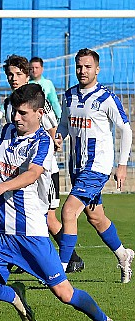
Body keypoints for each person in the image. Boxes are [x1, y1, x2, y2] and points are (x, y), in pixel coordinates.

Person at [0, 83, 123, 321]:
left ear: (39, 113)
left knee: (65, 294)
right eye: (15, 111)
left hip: (30, 236)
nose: (16, 117)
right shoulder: (6, 131)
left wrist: (1, 186)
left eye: (23, 113)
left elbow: (33, 174)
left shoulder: (42, 142)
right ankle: (13, 295)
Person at [0, 54, 84, 273]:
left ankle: (71, 257)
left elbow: (53, 131)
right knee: (24, 214)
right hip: (19, 171)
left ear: (27, 74)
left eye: (18, 74)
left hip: (43, 171)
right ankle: (24, 257)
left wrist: (54, 143)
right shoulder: (10, 103)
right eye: (9, 75)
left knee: (47, 217)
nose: (13, 78)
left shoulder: (39, 101)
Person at [57, 48, 134, 284]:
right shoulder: (69, 96)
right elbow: (63, 125)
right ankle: (124, 255)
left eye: (87, 66)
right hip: (77, 167)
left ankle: (58, 271)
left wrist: (122, 165)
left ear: (97, 69)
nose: (82, 71)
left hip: (97, 166)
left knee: (68, 211)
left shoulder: (106, 98)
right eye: (79, 66)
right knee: (96, 217)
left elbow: (125, 129)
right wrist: (59, 137)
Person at [29, 56, 62, 120]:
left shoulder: (48, 83)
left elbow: (54, 101)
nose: (34, 70)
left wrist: (60, 116)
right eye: (31, 68)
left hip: (44, 118)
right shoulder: (26, 83)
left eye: (36, 68)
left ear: (42, 69)